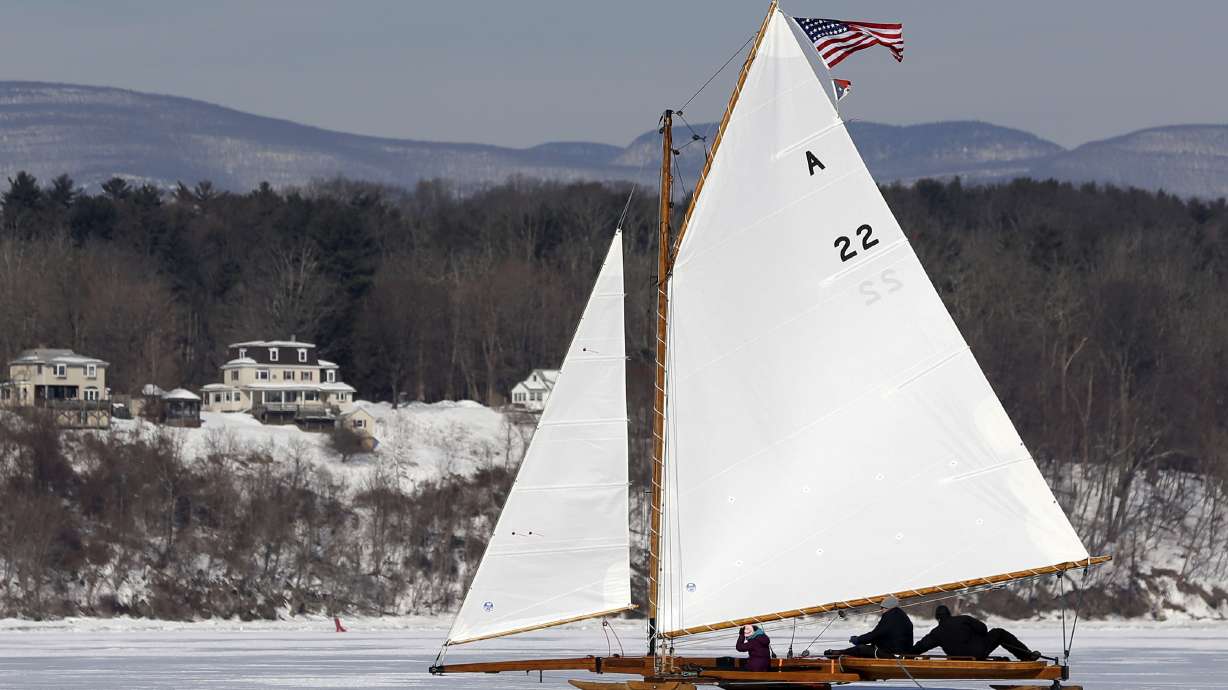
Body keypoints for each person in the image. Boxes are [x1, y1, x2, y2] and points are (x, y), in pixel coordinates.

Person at [910, 605, 1042, 661]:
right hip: (979, 652)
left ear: (937, 618)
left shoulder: (936, 632)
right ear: (950, 614)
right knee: (999, 633)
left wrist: (908, 655)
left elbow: (922, 646)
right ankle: (1026, 656)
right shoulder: (964, 619)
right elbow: (983, 629)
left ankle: (1025, 656)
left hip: (958, 659)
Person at [825, 595, 913, 658]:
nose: (881, 610)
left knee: (861, 649)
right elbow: (882, 635)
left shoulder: (890, 617)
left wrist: (858, 640)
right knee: (864, 648)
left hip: (892, 654)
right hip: (900, 652)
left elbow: (875, 634)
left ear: (887, 607)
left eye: (882, 607)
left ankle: (838, 654)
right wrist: (861, 640)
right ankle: (840, 653)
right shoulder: (900, 616)